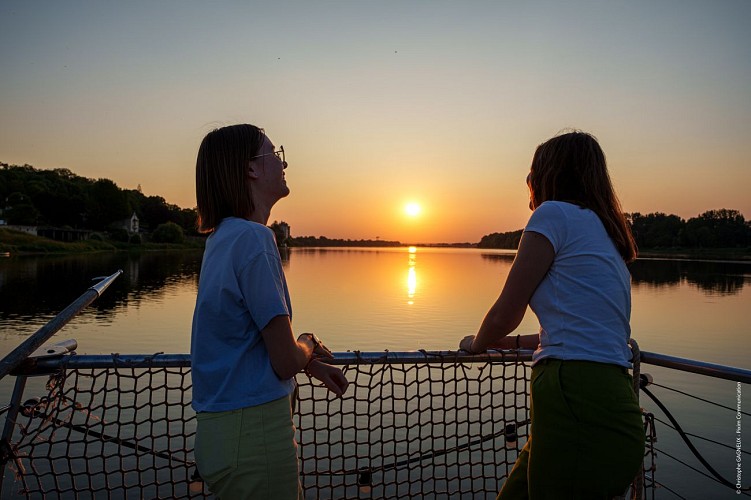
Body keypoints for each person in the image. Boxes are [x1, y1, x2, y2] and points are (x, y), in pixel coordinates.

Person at [459, 131, 645, 499]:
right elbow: (581, 333)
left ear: (548, 174)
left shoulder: (552, 214)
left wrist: (477, 344)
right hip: (611, 406)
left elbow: (505, 311)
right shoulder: (608, 234)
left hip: (575, 403)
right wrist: (508, 344)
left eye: (533, 172)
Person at [191, 124, 349, 499]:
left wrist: (306, 362)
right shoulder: (255, 239)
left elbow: (243, 340)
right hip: (255, 436)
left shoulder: (222, 239)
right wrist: (308, 344)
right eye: (274, 154)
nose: (283, 163)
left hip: (218, 435)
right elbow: (283, 361)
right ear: (251, 169)